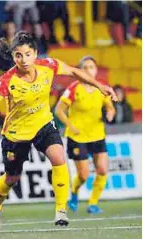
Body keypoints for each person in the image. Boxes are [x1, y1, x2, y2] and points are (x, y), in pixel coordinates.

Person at [0, 32, 117, 231]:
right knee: (12, 178)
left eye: (28, 54)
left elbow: (73, 71)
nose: (24, 59)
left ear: (35, 53)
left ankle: (61, 209)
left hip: (44, 124)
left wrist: (99, 85)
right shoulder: (6, 80)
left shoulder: (48, 65)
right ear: (13, 57)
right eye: (18, 55)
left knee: (59, 158)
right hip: (17, 134)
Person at [55, 56, 116, 214]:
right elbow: (59, 110)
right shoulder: (73, 88)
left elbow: (110, 107)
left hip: (97, 135)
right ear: (81, 71)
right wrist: (70, 126)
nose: (90, 70)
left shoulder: (101, 88)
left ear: (96, 70)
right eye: (86, 67)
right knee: (83, 175)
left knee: (102, 170)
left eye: (92, 67)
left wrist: (110, 113)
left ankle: (93, 204)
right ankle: (74, 192)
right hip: (77, 137)